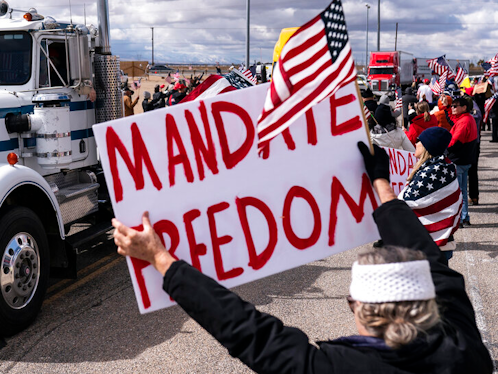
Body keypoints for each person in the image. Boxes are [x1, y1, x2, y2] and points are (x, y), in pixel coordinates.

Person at [112, 143, 492, 373]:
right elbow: (431, 261)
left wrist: (159, 257)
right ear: (426, 301)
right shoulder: (463, 349)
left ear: (360, 308)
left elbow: (247, 331)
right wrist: (381, 184)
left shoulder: (339, 369)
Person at [400, 127, 459, 260]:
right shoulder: (444, 167)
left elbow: (405, 201)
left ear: (428, 146)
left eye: (418, 141)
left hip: (430, 247)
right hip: (437, 245)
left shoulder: (433, 172)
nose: (415, 143)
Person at [447, 96, 477, 227]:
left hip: (459, 160)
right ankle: (464, 217)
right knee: (463, 191)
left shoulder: (464, 122)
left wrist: (444, 148)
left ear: (464, 108)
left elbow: (454, 141)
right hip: (465, 159)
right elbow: (453, 119)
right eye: (452, 106)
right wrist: (445, 107)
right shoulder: (467, 118)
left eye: (455, 106)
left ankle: (459, 219)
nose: (452, 108)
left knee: (457, 192)